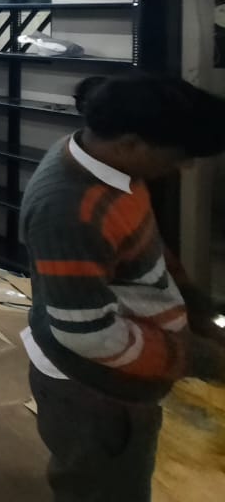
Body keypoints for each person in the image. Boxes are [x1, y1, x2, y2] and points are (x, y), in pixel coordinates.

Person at [21, 72, 225, 502]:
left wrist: (192, 302)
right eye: (177, 156)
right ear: (132, 143)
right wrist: (200, 358)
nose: (183, 167)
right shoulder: (68, 210)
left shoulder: (111, 168)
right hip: (93, 390)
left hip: (121, 378)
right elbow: (88, 335)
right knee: (104, 490)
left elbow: (142, 243)